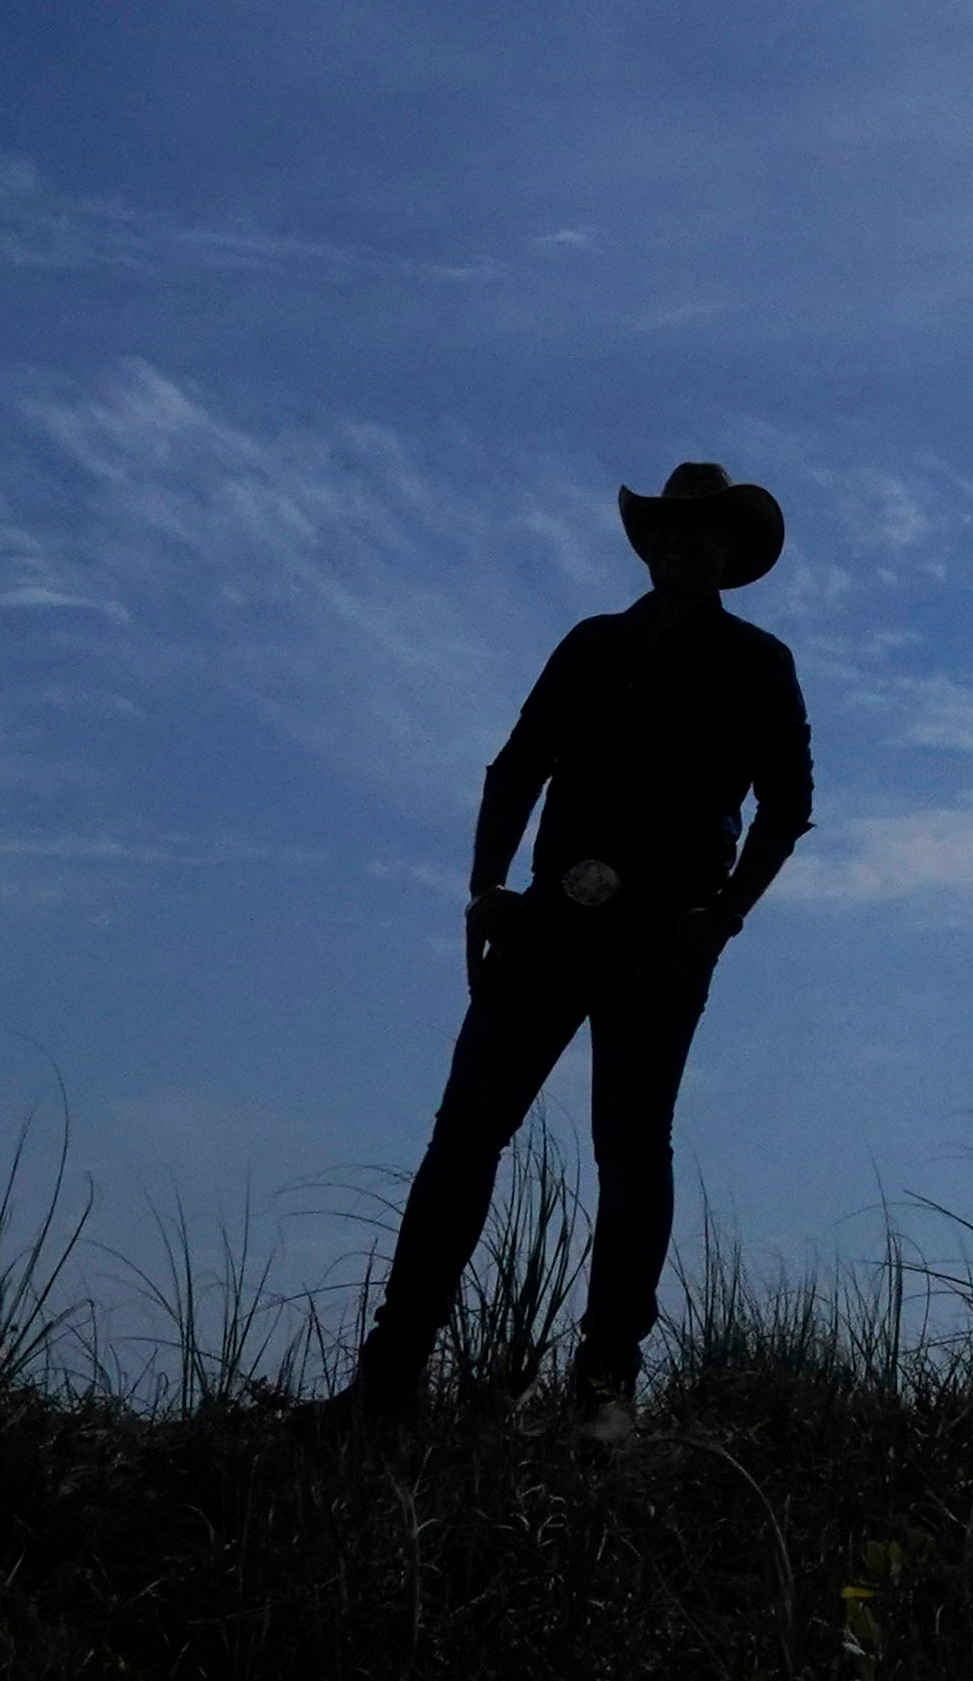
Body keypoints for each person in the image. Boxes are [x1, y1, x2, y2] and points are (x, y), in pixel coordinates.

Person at [338, 460, 814, 1434]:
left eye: (706, 530)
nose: (687, 543)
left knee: (632, 1148)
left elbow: (789, 802)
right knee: (465, 1134)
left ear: (728, 550)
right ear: (653, 543)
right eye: (674, 528)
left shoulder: (757, 662)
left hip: (662, 934)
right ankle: (389, 1379)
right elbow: (517, 765)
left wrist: (718, 919)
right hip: (549, 919)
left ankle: (604, 1392)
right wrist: (485, 889)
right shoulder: (593, 645)